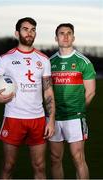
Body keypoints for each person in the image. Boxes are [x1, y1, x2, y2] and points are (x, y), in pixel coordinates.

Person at [0, 17, 55, 179]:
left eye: (33, 29)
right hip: (13, 118)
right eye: (25, 29)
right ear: (17, 33)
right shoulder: (5, 59)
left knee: (40, 166)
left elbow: (48, 92)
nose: (29, 33)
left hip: (37, 119)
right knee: (8, 166)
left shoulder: (43, 59)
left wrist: (50, 119)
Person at [49, 23, 96, 179]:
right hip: (53, 118)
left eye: (69, 33)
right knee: (55, 159)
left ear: (73, 37)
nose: (66, 36)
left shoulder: (84, 62)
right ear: (56, 38)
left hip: (75, 117)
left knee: (78, 159)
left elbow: (90, 92)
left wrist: (79, 111)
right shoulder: (49, 63)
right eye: (62, 33)